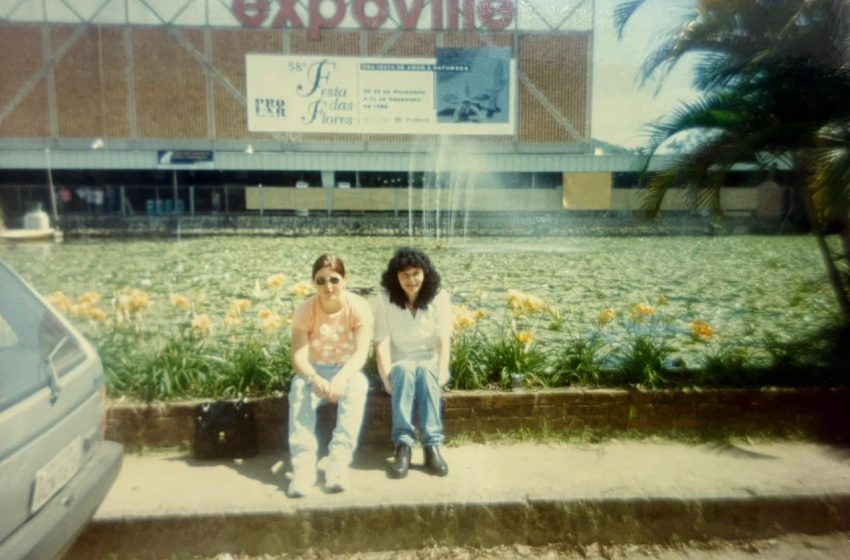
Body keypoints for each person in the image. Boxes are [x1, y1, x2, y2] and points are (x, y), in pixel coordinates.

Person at [288, 254, 372, 497]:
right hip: (315, 370)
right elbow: (298, 357)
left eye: (334, 279)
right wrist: (313, 378)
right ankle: (303, 468)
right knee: (299, 388)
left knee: (358, 386)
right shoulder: (305, 310)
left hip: (347, 370)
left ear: (345, 280)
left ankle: (338, 463)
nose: (328, 287)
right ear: (314, 283)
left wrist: (341, 378)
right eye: (321, 281)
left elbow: (361, 353)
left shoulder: (359, 307)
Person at [373, 247, 452, 479]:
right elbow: (381, 342)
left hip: (428, 359)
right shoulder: (384, 299)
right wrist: (386, 377)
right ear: (395, 277)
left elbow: (443, 339)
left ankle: (431, 445)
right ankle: (403, 446)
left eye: (416, 273)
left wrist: (443, 371)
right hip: (399, 361)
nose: (411, 280)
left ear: (425, 273)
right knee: (405, 370)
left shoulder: (439, 297)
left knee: (427, 371)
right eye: (404, 275)